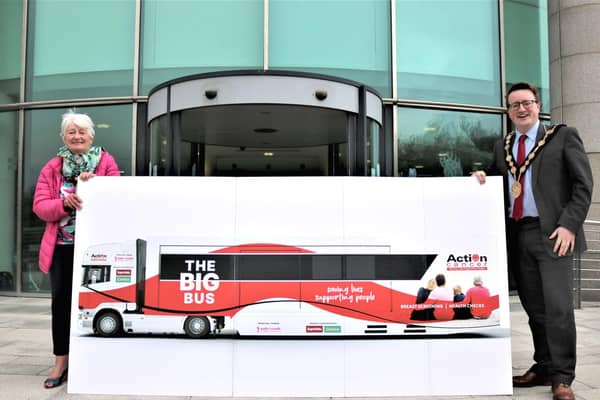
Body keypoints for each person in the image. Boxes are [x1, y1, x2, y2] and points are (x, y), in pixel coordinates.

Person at [473, 82, 593, 400]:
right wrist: (481, 178)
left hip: (553, 235)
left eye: (527, 103)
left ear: (538, 106)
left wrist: (568, 225)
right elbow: (497, 180)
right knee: (535, 309)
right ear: (509, 111)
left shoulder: (562, 136)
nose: (522, 109)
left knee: (558, 309)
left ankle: (563, 378)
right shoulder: (504, 146)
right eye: (515, 105)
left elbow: (583, 185)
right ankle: (544, 366)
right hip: (519, 235)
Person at [33, 111, 120, 389]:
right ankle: (61, 360)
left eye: (82, 131)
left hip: (96, 247)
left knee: (101, 302)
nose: (77, 136)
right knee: (61, 304)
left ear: (91, 136)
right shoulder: (52, 167)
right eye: (71, 132)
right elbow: (40, 206)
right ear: (63, 137)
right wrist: (63, 204)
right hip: (62, 246)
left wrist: (96, 185)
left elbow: (117, 197)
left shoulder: (105, 162)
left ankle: (95, 360)